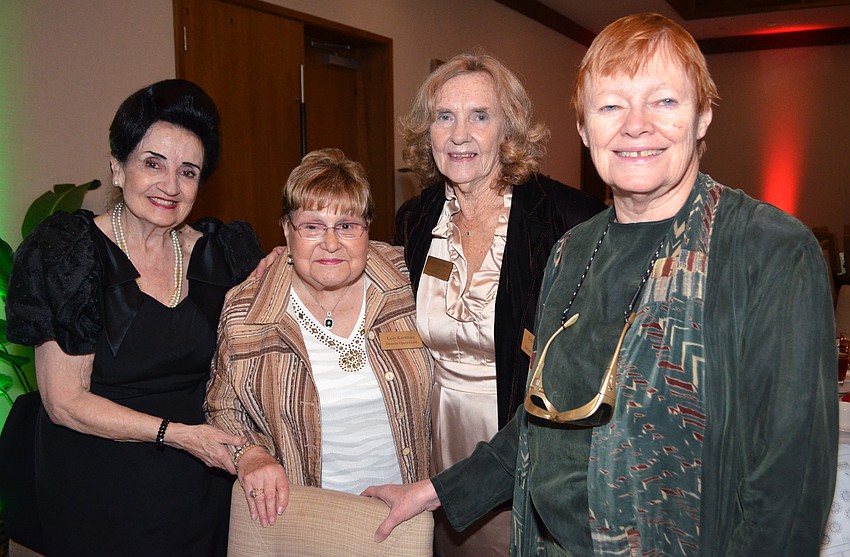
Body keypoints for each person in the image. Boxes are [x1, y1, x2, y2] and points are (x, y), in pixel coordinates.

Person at [365, 13, 837, 556]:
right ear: (584, 128)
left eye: (664, 101)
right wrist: (433, 492)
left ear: (703, 115)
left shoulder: (768, 252)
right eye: (611, 106)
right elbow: (541, 424)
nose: (636, 126)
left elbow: (786, 495)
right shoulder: (572, 251)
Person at [4, 79, 264, 556]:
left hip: (200, 485)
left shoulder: (222, 256)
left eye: (188, 172)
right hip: (98, 486)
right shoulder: (71, 255)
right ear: (117, 168)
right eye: (153, 164)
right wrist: (177, 434)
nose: (171, 186)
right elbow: (64, 402)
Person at [393, 52, 605, 555]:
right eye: (445, 116)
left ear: (507, 131)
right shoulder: (415, 220)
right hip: (430, 451)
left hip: (524, 454)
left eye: (480, 116)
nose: (459, 135)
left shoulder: (568, 220)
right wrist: (282, 260)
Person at [205, 148, 433, 529]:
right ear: (286, 230)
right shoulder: (246, 311)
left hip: (409, 519)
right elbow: (222, 409)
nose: (330, 243)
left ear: (367, 228)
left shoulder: (409, 281)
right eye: (312, 227)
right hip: (305, 522)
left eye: (347, 225)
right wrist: (251, 454)